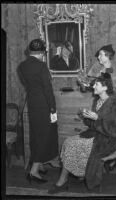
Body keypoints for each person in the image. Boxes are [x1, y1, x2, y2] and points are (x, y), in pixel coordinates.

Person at [48, 73, 116, 193]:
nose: (93, 87)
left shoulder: (114, 105)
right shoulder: (99, 101)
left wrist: (96, 119)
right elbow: (94, 125)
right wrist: (86, 117)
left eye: (97, 85)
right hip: (97, 135)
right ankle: (75, 173)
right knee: (68, 142)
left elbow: (115, 131)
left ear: (105, 87)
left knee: (73, 145)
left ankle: (62, 181)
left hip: (107, 141)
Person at [17, 38, 59, 183]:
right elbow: (48, 90)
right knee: (43, 136)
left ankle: (39, 165)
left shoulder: (21, 66)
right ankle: (34, 171)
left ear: (30, 52)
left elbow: (29, 84)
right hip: (44, 106)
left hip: (32, 104)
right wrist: (53, 108)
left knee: (36, 134)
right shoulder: (42, 66)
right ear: (41, 52)